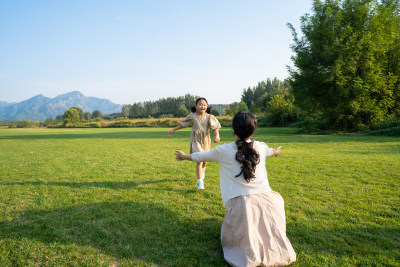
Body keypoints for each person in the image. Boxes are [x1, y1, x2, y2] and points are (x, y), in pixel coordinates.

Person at [175, 111, 296, 267]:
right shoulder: (261, 146)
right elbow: (273, 152)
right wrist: (278, 151)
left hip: (242, 206)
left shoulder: (223, 151)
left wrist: (183, 156)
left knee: (247, 235)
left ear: (233, 130)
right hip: (270, 204)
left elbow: (199, 156)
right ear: (253, 130)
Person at [168, 97, 221, 190]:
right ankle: (200, 182)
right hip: (195, 140)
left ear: (207, 106)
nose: (202, 106)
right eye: (200, 104)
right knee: (200, 159)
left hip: (205, 140)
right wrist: (173, 129)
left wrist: (217, 135)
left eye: (204, 105)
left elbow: (215, 127)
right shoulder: (192, 116)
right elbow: (183, 124)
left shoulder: (209, 117)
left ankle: (201, 171)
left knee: (204, 160)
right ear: (196, 106)